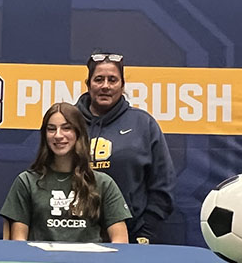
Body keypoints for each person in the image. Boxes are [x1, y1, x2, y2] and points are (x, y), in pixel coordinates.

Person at [75, 52, 175, 244]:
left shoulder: (143, 124)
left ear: (122, 85)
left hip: (130, 236)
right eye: (99, 79)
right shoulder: (68, 122)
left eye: (112, 80)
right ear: (88, 84)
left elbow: (163, 185)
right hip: (74, 235)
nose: (105, 86)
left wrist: (144, 233)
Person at [0, 102, 130, 243]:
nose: (58, 135)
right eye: (51, 129)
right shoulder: (26, 181)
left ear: (78, 133)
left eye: (66, 128)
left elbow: (120, 241)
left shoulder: (103, 183)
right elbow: (18, 241)